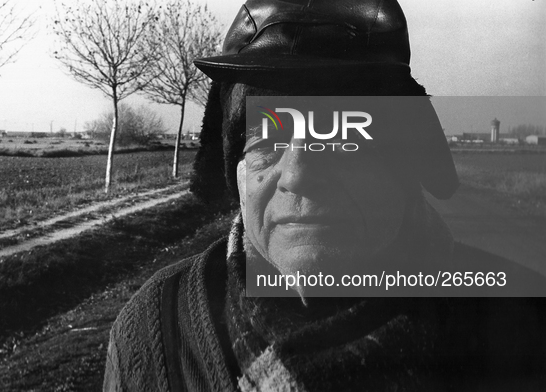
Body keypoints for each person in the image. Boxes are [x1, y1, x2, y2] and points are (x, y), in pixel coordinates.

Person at [103, 0, 546, 391]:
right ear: (236, 174)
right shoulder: (153, 332)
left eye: (344, 139)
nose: (298, 174)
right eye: (266, 141)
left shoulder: (524, 327)